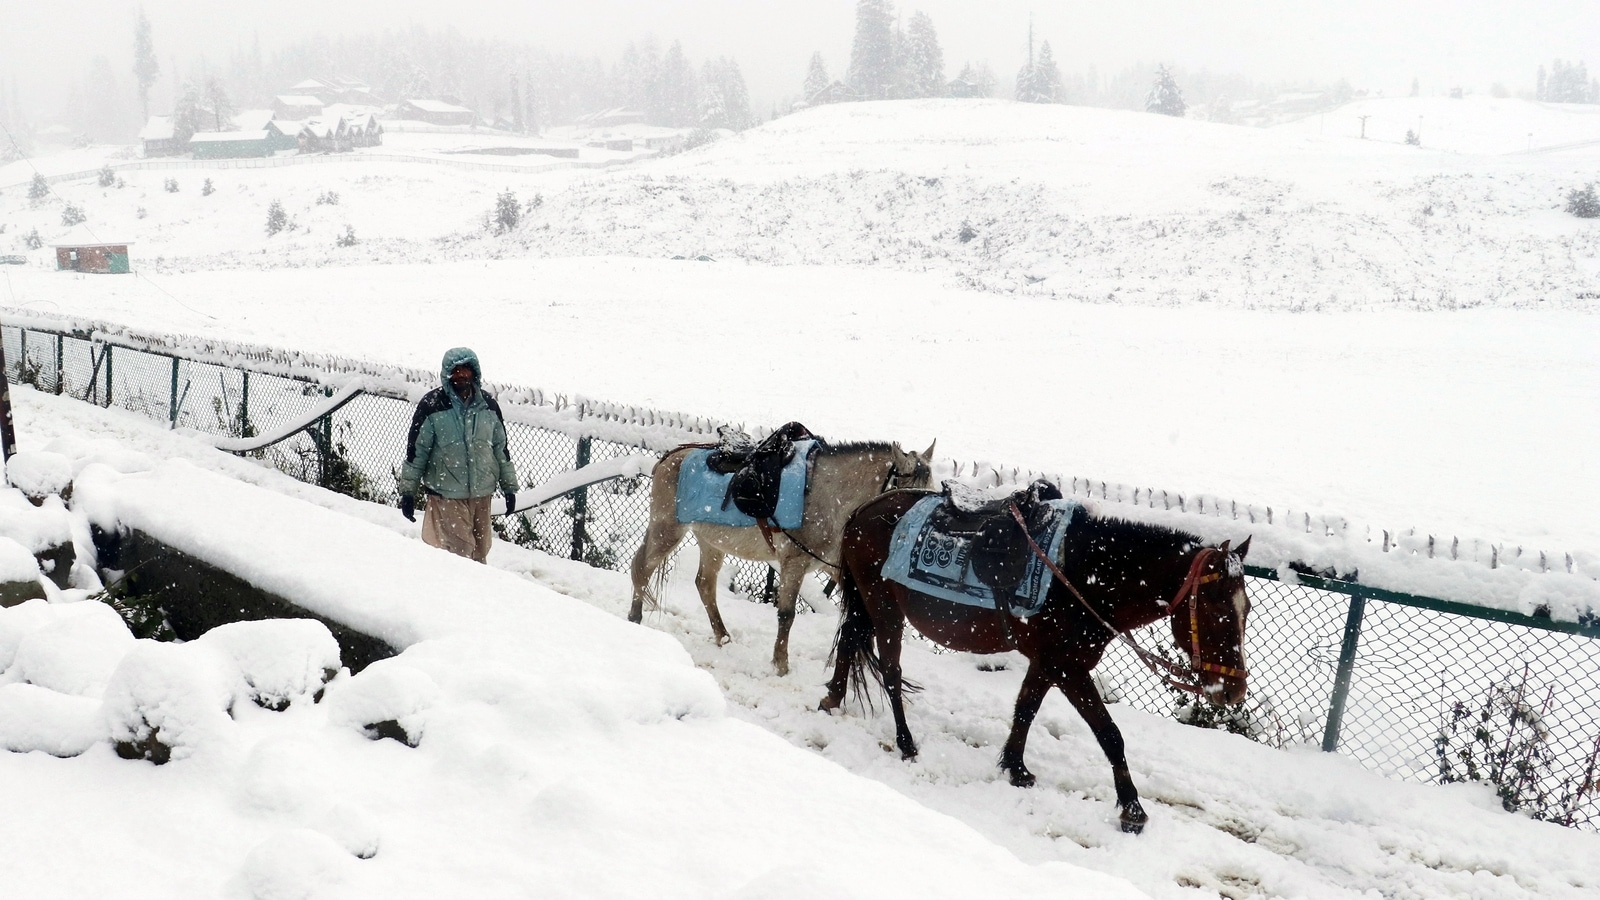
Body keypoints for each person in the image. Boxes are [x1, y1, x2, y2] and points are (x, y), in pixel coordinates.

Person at [397, 347, 518, 563]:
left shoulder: (488, 406)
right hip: (448, 495)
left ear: (474, 373)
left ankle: (475, 594)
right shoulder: (433, 406)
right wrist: (408, 492)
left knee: (480, 552)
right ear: (446, 374)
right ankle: (460, 593)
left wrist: (509, 488)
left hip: (482, 494)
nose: (461, 375)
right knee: (461, 554)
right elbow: (417, 452)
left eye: (465, 370)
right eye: (455, 371)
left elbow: (501, 449)